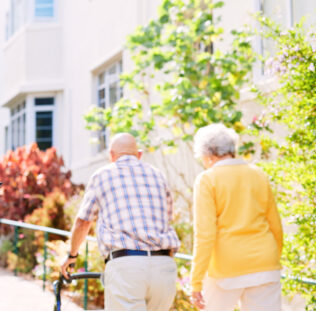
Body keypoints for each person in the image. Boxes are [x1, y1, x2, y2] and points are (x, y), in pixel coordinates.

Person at [61, 133, 180, 311]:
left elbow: (83, 222)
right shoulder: (158, 175)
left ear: (111, 155)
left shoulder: (102, 175)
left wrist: (72, 255)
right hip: (164, 266)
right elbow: (168, 217)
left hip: (127, 267)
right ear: (139, 154)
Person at [190, 124, 283, 311]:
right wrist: (271, 257)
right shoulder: (258, 175)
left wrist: (196, 281)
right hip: (265, 264)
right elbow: (275, 225)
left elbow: (205, 235)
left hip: (226, 268)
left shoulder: (208, 180)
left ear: (209, 155)